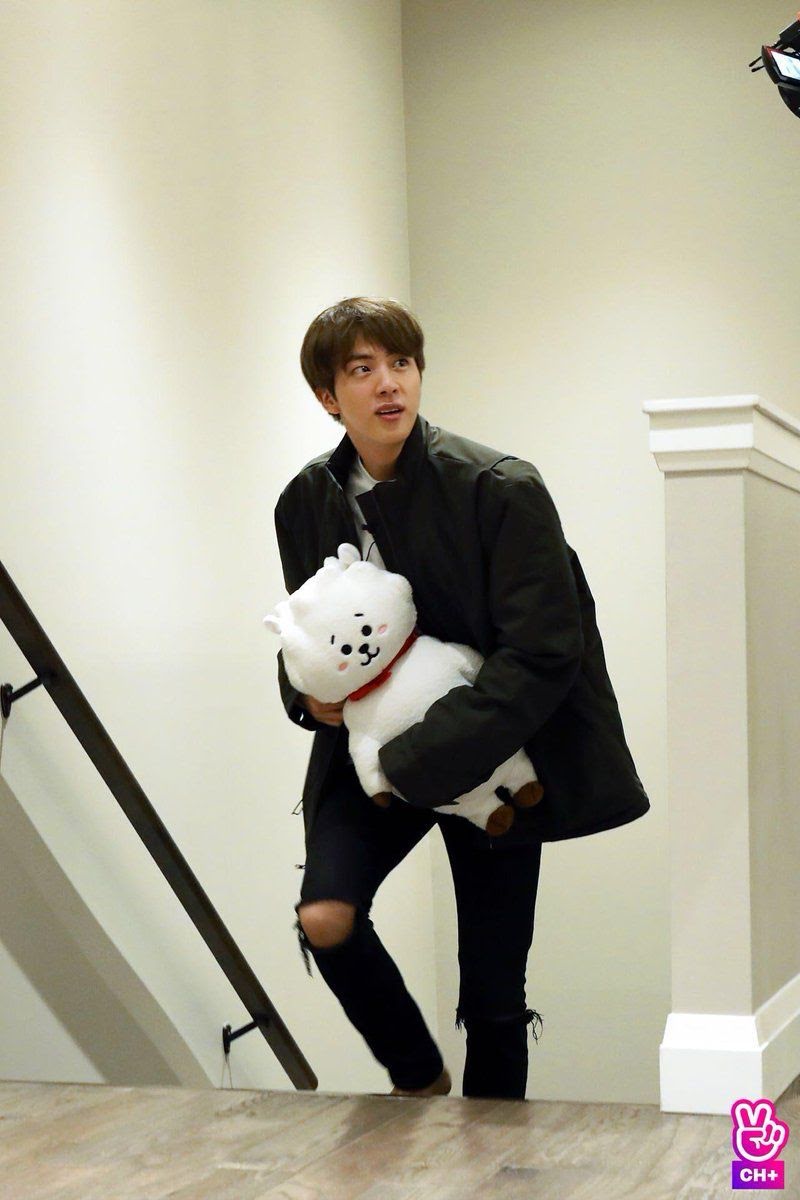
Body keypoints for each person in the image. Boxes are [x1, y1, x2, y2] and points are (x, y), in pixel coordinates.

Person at [273, 296, 650, 1100]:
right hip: (373, 748)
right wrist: (307, 697)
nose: (389, 384)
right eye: (362, 369)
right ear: (327, 397)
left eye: (401, 363)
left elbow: (546, 652)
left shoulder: (498, 487)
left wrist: (425, 757)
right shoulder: (304, 501)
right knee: (325, 916)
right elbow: (309, 626)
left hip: (494, 755)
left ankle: (488, 1160)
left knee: (493, 998)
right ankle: (418, 1079)